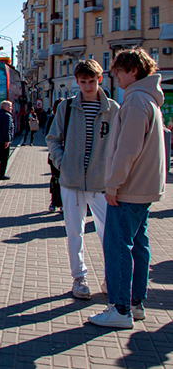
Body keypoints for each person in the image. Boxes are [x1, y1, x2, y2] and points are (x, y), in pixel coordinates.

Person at [88, 49, 165, 329]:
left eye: (118, 71)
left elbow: (127, 151)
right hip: (144, 187)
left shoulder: (134, 101)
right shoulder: (150, 99)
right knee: (138, 246)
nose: (115, 77)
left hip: (128, 188)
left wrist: (112, 185)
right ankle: (135, 304)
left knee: (118, 247)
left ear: (133, 70)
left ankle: (119, 310)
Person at [46, 60, 119, 300]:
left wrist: (114, 174)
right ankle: (79, 278)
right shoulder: (66, 108)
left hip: (102, 183)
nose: (87, 86)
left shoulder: (113, 109)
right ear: (76, 81)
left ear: (100, 79)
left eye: (92, 81)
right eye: (83, 82)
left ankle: (111, 278)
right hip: (72, 180)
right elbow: (53, 138)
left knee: (108, 234)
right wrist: (62, 163)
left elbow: (120, 144)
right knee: (74, 232)